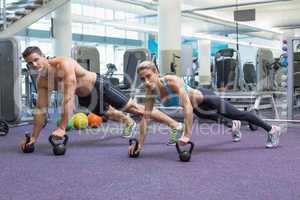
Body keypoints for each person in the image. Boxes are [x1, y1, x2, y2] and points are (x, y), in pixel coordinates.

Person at [20, 47, 183, 151]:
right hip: (85, 97)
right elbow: (40, 111)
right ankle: (128, 123)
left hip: (99, 85)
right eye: (30, 63)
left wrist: (62, 127)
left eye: (36, 59)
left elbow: (69, 97)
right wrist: (33, 137)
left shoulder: (63, 64)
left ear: (43, 56)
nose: (34, 64)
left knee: (134, 108)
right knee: (109, 114)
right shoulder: (42, 81)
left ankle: (175, 124)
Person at [129, 61, 281, 155]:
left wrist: (187, 135)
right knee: (208, 116)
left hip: (207, 98)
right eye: (143, 79)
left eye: (149, 76)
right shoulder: (150, 91)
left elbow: (187, 106)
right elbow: (146, 118)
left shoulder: (172, 81)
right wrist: (140, 145)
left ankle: (272, 129)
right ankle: (233, 126)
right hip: (197, 107)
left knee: (239, 114)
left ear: (157, 73)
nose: (147, 81)